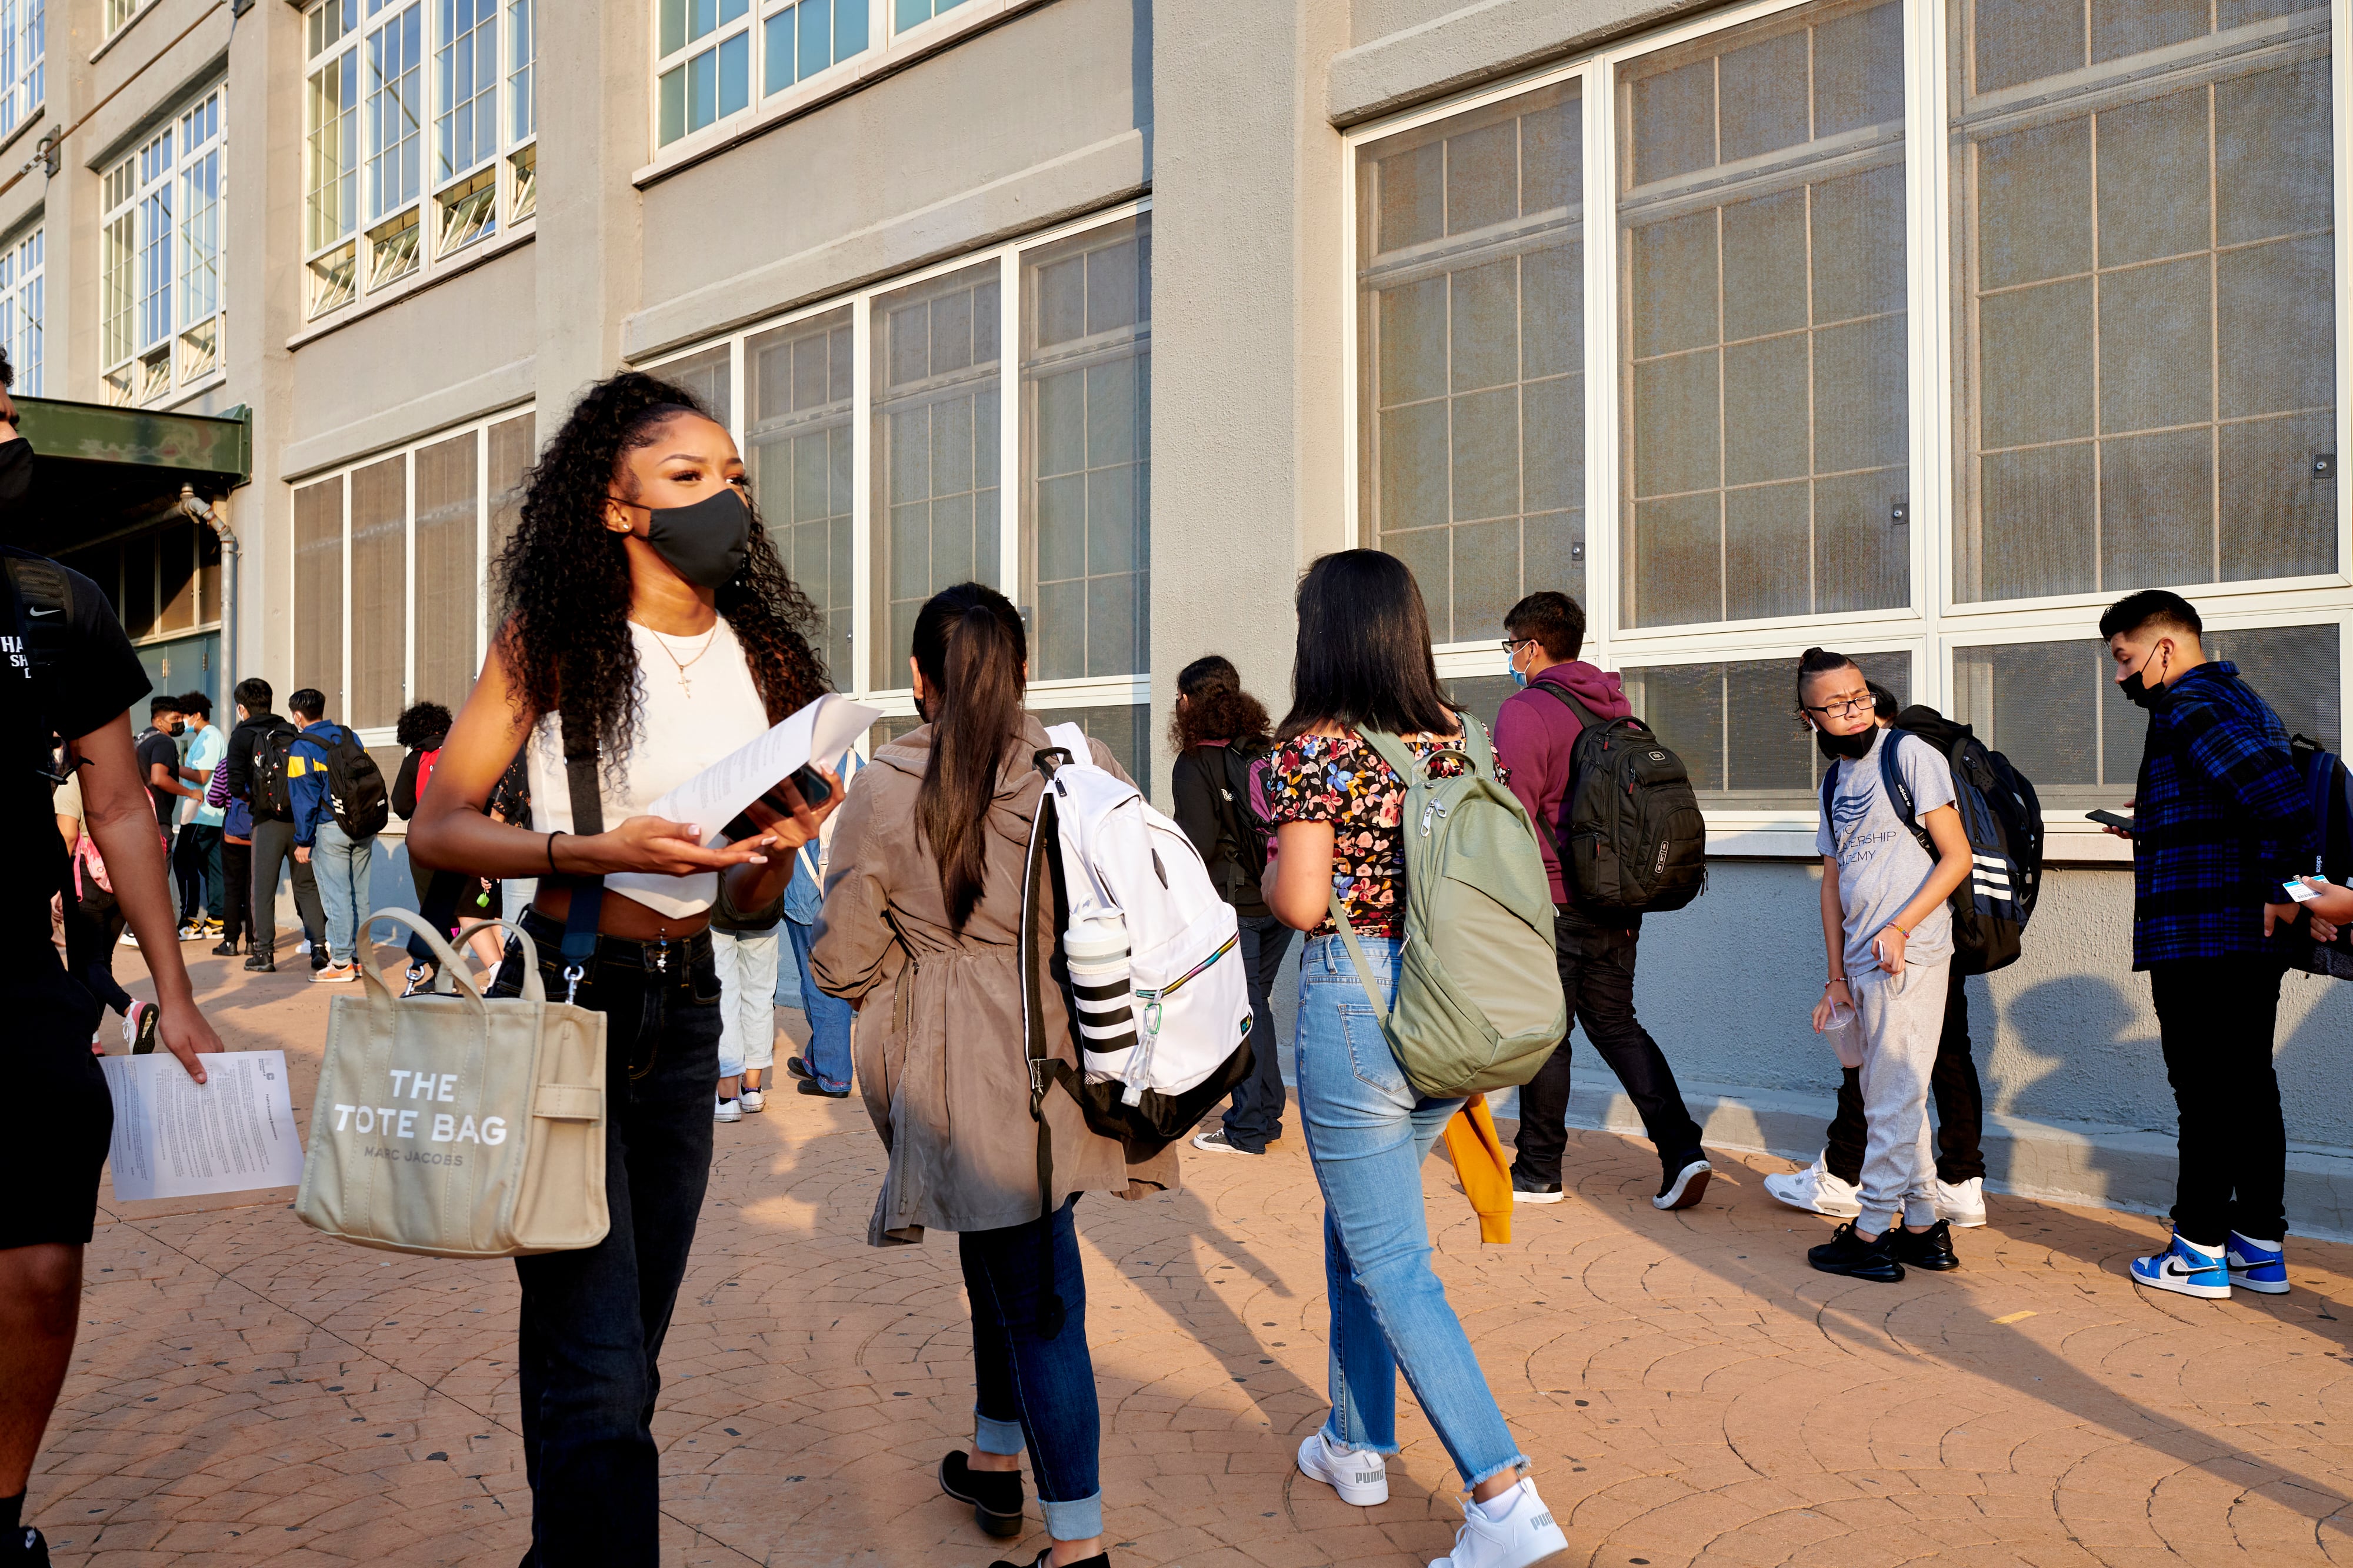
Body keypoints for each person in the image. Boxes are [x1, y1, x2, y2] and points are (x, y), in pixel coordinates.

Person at [408, 371, 837, 1567]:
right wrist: (582, 847)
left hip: (687, 999)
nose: (726, 500)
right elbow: (437, 828)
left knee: (624, 1356)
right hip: (569, 991)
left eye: (736, 479)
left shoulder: (768, 661)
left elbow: (743, 901)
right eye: (690, 478)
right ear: (614, 507)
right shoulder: (554, 644)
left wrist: (772, 855)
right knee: (597, 1374)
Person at [812, 582, 1174, 1568]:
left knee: (1041, 1299)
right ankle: (994, 1456)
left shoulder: (884, 787)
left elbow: (841, 960)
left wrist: (919, 984)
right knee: (1010, 1260)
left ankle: (1080, 1545)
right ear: (1026, 670)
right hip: (1077, 1049)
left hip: (960, 1069)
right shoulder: (1080, 763)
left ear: (920, 681)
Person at [1259, 551, 1569, 1568]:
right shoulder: (1456, 738)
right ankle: (1356, 1440)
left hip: (1359, 1003)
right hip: (1454, 1006)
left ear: (1327, 634)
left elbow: (1304, 903)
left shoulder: (1316, 749)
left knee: (1392, 1258)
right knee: (1363, 1228)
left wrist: (1270, 869)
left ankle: (1502, 1497)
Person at [1, 353, 226, 1567]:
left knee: (39, 1260)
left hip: (22, 984)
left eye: (5, 411)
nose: (6, 434)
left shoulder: (57, 603)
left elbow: (124, 804)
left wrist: (175, 993)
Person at [2097, 590, 2319, 1300]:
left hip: (2205, 933)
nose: (2120, 676)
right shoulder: (2235, 699)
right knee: (2248, 1088)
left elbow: (2281, 799)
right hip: (2229, 929)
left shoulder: (2191, 704)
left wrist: (2288, 893)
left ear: (2165, 646)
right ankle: (2258, 1246)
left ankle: (2195, 1247)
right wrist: (2156, 821)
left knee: (2206, 1092)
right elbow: (2244, 801)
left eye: (2125, 658)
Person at [1491, 591, 1712, 1212]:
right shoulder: (1618, 709)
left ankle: (1537, 1171)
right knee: (1616, 1023)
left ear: (1532, 646)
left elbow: (1514, 813)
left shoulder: (1526, 710)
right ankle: (1682, 1150)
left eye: (1511, 645)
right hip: (1618, 899)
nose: (1510, 657)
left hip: (1556, 898)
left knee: (1546, 1034)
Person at [1767, 682, 1988, 1229]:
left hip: (1909, 952)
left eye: (1860, 699)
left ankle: (1869, 1232)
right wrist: (1834, 978)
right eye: (1838, 705)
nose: (1854, 712)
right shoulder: (1834, 780)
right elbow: (1831, 883)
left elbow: (1956, 856)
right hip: (1863, 959)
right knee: (1892, 1094)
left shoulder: (1910, 753)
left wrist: (1901, 927)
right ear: (1810, 717)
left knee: (1891, 1099)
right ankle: (1921, 1226)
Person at [1169, 654, 1295, 1157]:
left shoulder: (1196, 761)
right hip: (1277, 897)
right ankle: (1266, 1111)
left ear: (1193, 702)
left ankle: (1248, 1127)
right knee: (1256, 1002)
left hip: (1234, 906)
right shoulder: (1264, 748)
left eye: (1180, 695)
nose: (1176, 704)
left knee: (1242, 1010)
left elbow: (1195, 841)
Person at [49, 751, 159, 1055]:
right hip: (125, 882)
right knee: (100, 964)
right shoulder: (131, 780)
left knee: (84, 964)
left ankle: (131, 1009)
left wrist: (57, 886)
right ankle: (91, 1039)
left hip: (86, 880)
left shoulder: (75, 780)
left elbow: (68, 836)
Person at [226, 677, 328, 974]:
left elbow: (234, 786)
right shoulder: (290, 731)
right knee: (307, 886)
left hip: (267, 822)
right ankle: (319, 947)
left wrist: (255, 800)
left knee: (263, 887)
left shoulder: (241, 736)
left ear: (242, 707)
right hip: (301, 821)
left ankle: (264, 953)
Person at [777, 746, 859, 1099]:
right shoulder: (856, 761)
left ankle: (835, 1075)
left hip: (807, 891)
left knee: (819, 984)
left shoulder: (793, 765)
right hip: (845, 888)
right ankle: (818, 1056)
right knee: (829, 977)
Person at [286, 688, 376, 983]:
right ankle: (360, 959)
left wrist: (303, 840)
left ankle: (340, 964)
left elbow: (304, 798)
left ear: (298, 716)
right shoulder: (349, 736)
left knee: (336, 896)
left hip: (330, 829)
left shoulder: (301, 748)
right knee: (359, 896)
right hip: (361, 826)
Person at [710, 859, 782, 1122]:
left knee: (723, 999)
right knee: (760, 996)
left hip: (717, 902)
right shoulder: (772, 816)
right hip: (763, 903)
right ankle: (752, 1088)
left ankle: (727, 1097)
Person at [128, 695, 194, 946]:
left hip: (138, 816)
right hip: (157, 818)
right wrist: (190, 792)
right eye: (174, 719)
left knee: (141, 875)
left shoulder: (142, 738)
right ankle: (141, 932)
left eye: (180, 719)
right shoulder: (164, 743)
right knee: (156, 874)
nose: (179, 724)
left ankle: (134, 928)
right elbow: (158, 777)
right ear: (159, 720)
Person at [171, 690, 226, 940]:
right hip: (210, 813)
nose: (181, 721)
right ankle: (216, 919)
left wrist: (172, 767)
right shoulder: (205, 737)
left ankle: (190, 919)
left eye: (184, 716)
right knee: (212, 866)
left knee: (183, 861)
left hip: (202, 813)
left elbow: (202, 777)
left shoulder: (210, 737)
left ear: (197, 715)